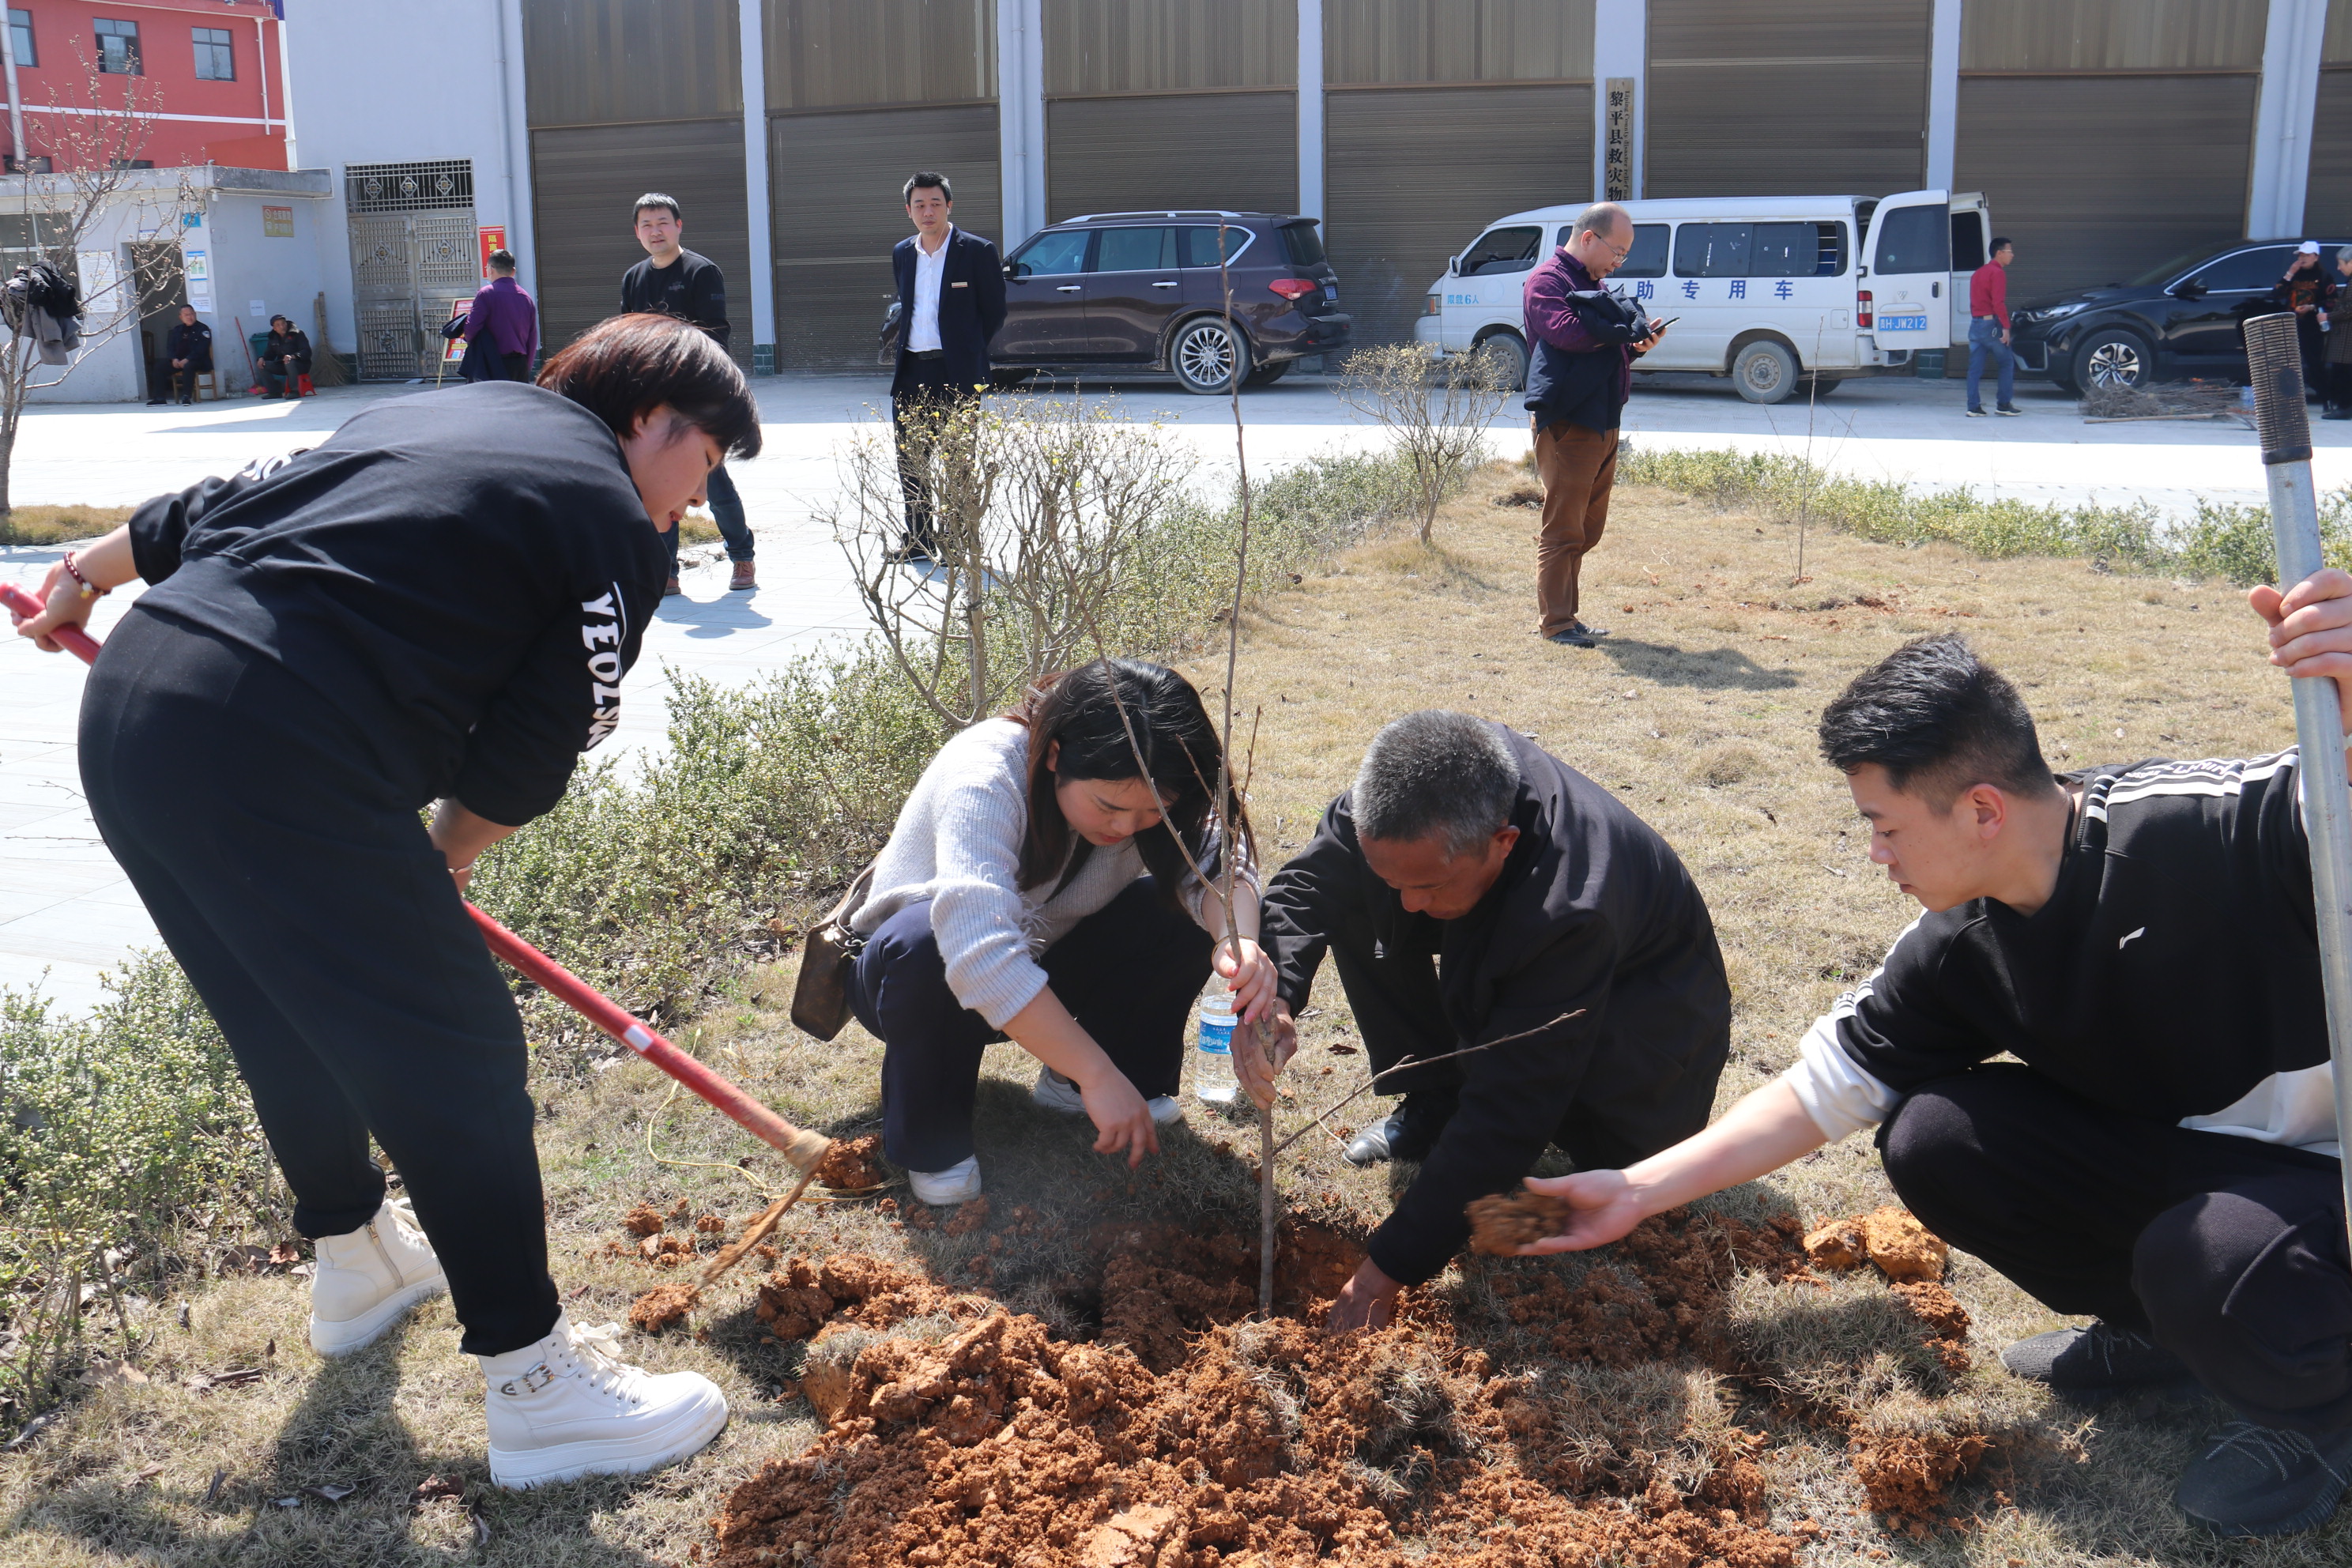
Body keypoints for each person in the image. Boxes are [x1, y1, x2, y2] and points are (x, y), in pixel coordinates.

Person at [9, 314, 763, 1492]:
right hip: (276, 741)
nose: (696, 498)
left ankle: (358, 1255)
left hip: (138, 709)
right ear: (652, 419)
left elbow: (219, 500)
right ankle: (538, 1387)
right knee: (458, 1048)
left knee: (280, 1010)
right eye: (705, 461)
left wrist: (79, 578)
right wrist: (445, 859)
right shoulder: (612, 523)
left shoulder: (442, 410)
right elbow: (533, 750)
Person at [1513, 621, 2352, 1540]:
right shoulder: (1963, 941)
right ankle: (2165, 1330)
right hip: (2199, 1169)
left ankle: (2321, 1408)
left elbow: (2329, 789)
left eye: (1886, 826)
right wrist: (1636, 1190)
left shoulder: (2207, 827)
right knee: (1938, 1137)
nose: (1877, 853)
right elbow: (1823, 1088)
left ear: (1982, 809)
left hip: (2328, 1173)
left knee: (2208, 1256)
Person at [1244, 710, 1732, 1333]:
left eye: (1428, 885)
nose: (1409, 904)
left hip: (1643, 1024)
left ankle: (1578, 1165)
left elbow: (1511, 1105)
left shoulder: (1569, 909)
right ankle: (1436, 1100)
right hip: (1516, 938)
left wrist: (1382, 1273)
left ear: (1502, 841)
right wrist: (1278, 995)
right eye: (1394, 878)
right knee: (1364, 902)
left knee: (1604, 1188)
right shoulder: (1401, 800)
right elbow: (1307, 887)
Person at [844, 659, 1268, 1206]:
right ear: (1054, 756)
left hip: (1041, 959)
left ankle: (1082, 1085)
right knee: (927, 940)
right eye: (1108, 806)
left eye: (1153, 811)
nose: (1125, 827)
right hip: (915, 980)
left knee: (1173, 915)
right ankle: (935, 1144)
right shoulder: (986, 776)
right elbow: (977, 952)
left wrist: (1238, 943)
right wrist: (1096, 1073)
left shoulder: (1151, 794)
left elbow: (1218, 865)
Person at [1523, 201, 1665, 648]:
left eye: (1625, 255)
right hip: (1570, 422)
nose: (1619, 263)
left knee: (1587, 527)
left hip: (1604, 419)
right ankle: (1556, 623)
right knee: (1563, 528)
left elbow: (1602, 354)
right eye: (1617, 252)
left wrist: (1636, 346)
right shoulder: (1547, 281)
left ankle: (1568, 616)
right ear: (1588, 238)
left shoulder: (1592, 284)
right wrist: (1621, 332)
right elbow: (1569, 335)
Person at [622, 192, 757, 594]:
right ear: (637, 232)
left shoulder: (701, 271)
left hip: (696, 394)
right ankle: (667, 571)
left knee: (714, 482)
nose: (655, 231)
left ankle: (742, 557)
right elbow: (627, 335)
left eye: (662, 222)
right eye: (647, 225)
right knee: (659, 484)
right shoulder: (634, 277)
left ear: (678, 226)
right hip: (652, 398)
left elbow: (716, 335)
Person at [888, 170, 1006, 563]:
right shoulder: (903, 253)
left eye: (935, 203)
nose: (928, 211)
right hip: (911, 370)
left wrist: (966, 348)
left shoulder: (977, 251)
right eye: (919, 204)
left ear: (949, 205)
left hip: (957, 373)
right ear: (908, 210)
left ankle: (957, 542)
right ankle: (919, 541)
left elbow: (994, 311)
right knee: (911, 460)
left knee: (958, 461)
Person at [463, 248, 539, 384]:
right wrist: (527, 367)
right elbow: (532, 337)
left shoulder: (486, 294)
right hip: (520, 364)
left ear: (491, 269)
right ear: (513, 271)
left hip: (493, 363)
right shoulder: (526, 297)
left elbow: (471, 329)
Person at [1966, 236, 2018, 418]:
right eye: (2010, 251)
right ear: (1999, 253)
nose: (2012, 255)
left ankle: (1973, 407)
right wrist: (2006, 327)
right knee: (2006, 362)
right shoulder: (1997, 273)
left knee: (1975, 369)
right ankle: (2003, 404)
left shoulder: (1978, 273)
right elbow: (1998, 303)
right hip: (1991, 325)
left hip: (1976, 324)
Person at [2275, 241, 2335, 400]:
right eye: (2301, 255)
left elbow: (2332, 301)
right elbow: (2276, 294)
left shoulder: (2324, 276)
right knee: (2287, 363)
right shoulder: (2294, 274)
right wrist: (2290, 273)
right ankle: (2287, 397)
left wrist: (2312, 307)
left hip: (2312, 327)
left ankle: (2325, 397)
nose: (2303, 258)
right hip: (2291, 325)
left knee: (2315, 362)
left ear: (2316, 257)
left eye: (2307, 255)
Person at [2324, 247, 2352, 422]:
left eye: (2341, 264)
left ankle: (2344, 408)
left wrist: (2328, 316)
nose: (2338, 268)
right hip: (2345, 337)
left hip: (2347, 339)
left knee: (2344, 373)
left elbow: (2349, 309)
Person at [161, 304, 211, 405]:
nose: (189, 317)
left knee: (188, 366)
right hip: (179, 361)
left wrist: (187, 359)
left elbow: (202, 349)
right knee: (160, 367)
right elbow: (170, 346)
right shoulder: (177, 330)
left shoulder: (202, 329)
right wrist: (174, 358)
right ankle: (159, 398)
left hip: (197, 361)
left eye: (191, 314)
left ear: (195, 314)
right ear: (181, 317)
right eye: (186, 315)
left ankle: (186, 396)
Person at [258, 314, 312, 400]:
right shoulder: (273, 338)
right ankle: (274, 392)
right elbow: (269, 355)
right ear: (274, 328)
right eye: (278, 325)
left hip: (301, 365)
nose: (282, 327)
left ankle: (295, 391)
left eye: (283, 323)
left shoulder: (298, 334)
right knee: (263, 365)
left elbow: (307, 351)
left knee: (289, 361)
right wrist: (262, 358)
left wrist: (293, 356)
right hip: (284, 365)